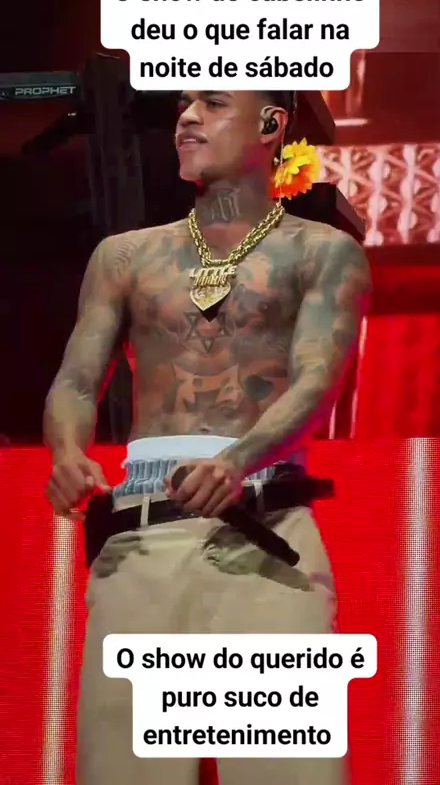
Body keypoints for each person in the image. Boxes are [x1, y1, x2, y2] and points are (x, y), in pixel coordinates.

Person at [43, 90, 371, 785]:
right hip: (139, 542)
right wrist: (67, 452)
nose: (187, 117)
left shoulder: (322, 252)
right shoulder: (125, 256)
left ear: (271, 125)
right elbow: (76, 380)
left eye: (213, 103)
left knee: (290, 774)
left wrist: (238, 459)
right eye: (184, 104)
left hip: (265, 535)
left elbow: (317, 381)